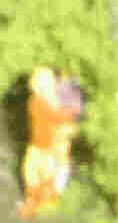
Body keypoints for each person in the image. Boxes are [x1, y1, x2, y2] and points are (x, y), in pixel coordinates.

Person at [20, 67, 84, 218]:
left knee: (44, 176)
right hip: (41, 146)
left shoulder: (51, 100)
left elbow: (65, 121)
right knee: (33, 174)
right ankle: (33, 203)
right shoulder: (37, 102)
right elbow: (58, 117)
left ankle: (40, 204)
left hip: (48, 148)